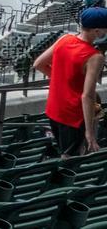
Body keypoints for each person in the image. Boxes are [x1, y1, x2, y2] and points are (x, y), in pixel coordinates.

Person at [32, 8, 107, 158]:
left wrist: (63, 80)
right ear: (97, 31)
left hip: (54, 109)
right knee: (70, 159)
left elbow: (38, 64)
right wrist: (90, 133)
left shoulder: (64, 39)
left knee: (64, 152)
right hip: (73, 116)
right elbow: (87, 96)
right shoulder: (95, 57)